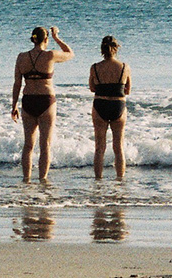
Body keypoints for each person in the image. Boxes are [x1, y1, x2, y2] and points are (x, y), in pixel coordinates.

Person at [11, 25, 73, 181]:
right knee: (45, 146)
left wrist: (14, 106)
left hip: (28, 101)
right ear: (46, 39)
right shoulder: (50, 55)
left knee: (28, 146)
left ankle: (26, 180)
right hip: (46, 101)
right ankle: (43, 181)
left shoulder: (21, 57)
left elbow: (17, 83)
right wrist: (57, 37)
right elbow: (70, 54)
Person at [88, 35, 132, 180]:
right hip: (118, 105)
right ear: (116, 48)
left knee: (99, 148)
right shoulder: (124, 67)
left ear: (102, 50)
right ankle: (120, 181)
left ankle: (98, 181)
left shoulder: (95, 67)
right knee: (118, 147)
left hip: (100, 104)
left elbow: (92, 88)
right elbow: (128, 90)